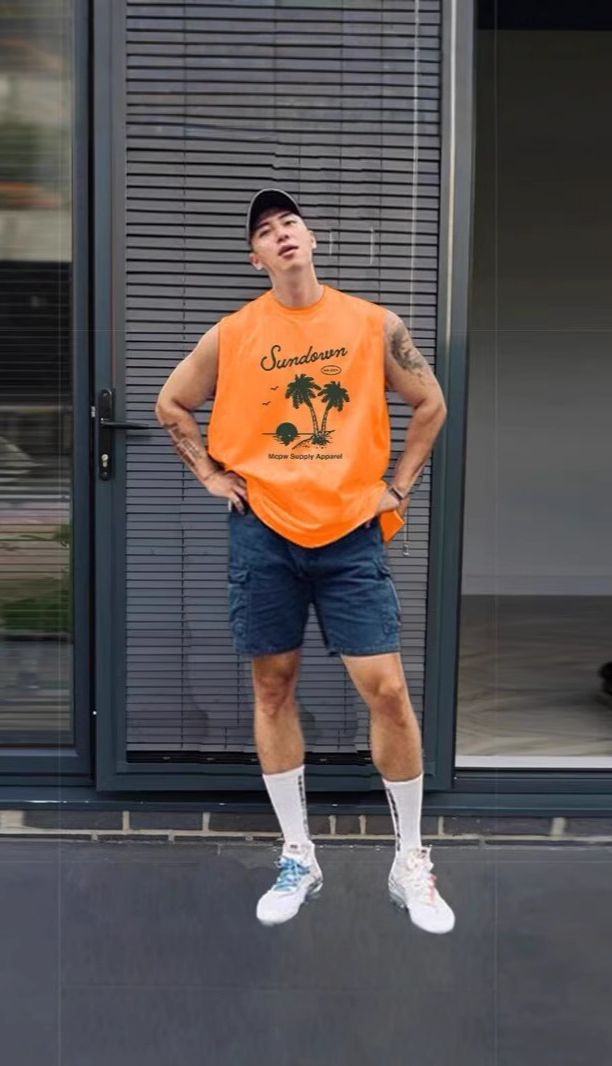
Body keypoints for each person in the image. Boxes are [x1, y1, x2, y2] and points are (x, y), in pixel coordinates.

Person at [155, 189, 454, 934]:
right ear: (254, 257)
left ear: (311, 238)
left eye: (290, 222)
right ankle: (299, 854)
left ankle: (409, 860)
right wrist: (209, 475)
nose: (281, 234)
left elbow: (430, 403)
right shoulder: (233, 333)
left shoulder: (372, 324)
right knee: (272, 689)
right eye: (265, 231)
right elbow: (171, 404)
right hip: (264, 534)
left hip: (351, 534)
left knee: (387, 691)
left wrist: (397, 486)